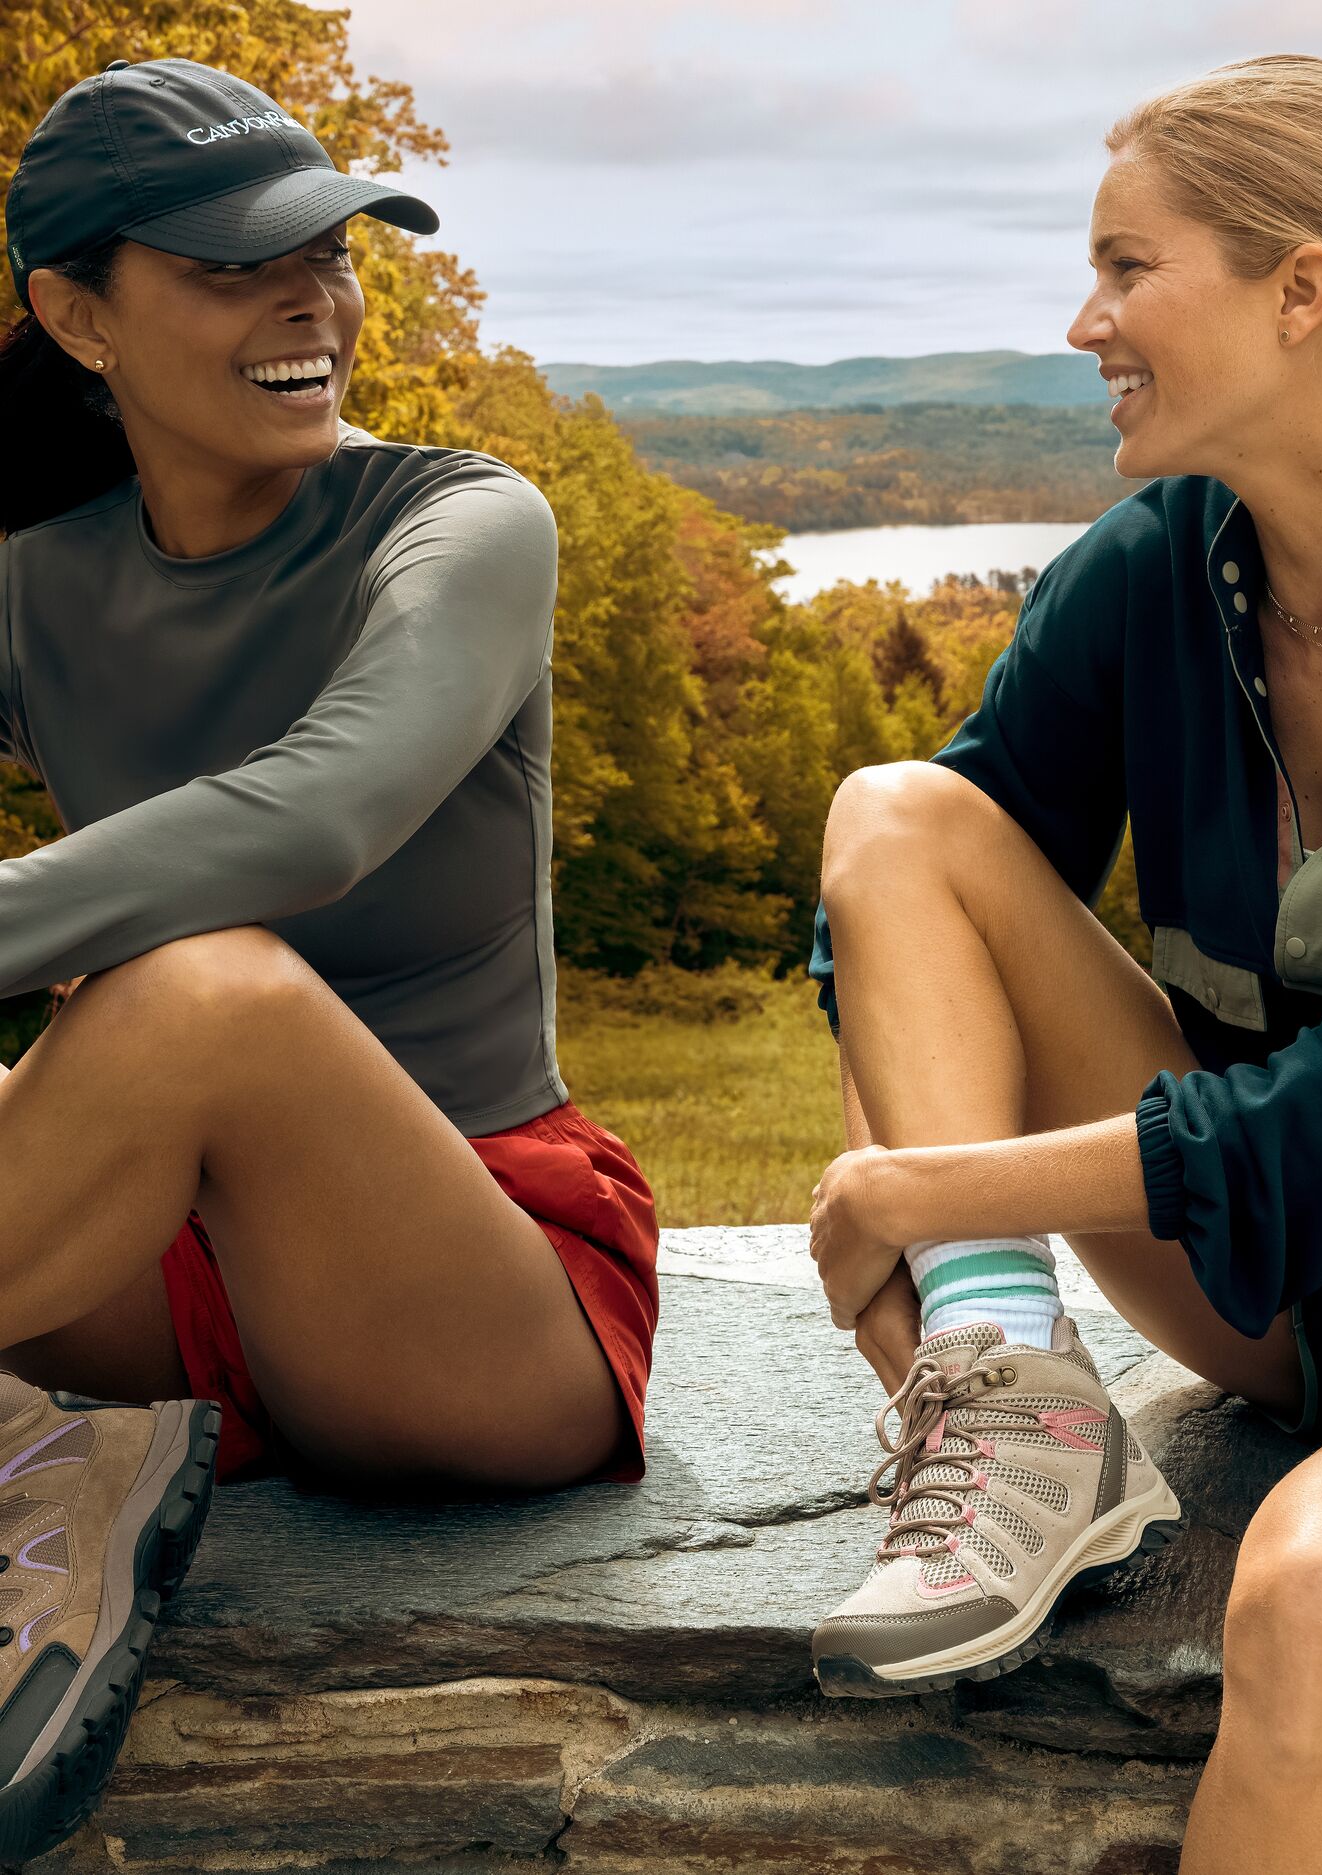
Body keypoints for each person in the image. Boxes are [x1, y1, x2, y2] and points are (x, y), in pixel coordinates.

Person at [804, 52, 1322, 1875]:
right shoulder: (1154, 572)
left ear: (1301, 289)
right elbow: (900, 919)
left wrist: (906, 1182)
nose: (1082, 319)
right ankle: (1011, 1409)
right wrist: (964, 1257)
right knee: (896, 815)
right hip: (1286, 1287)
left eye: (1128, 269)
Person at [0, 56, 658, 1860]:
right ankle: (76, 1465)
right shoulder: (33, 580)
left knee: (206, 983)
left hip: (471, 1280)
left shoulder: (459, 523)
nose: (313, 297)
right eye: (233, 266)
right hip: (158, 1265)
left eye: (333, 249)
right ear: (76, 316)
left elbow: (314, 820)